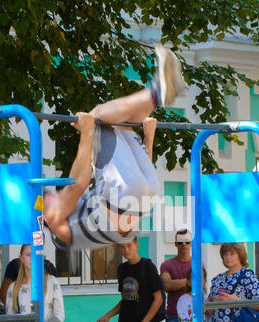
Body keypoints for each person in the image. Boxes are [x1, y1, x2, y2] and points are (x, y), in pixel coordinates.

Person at [41, 45, 184, 250]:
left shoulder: (75, 222)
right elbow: (77, 184)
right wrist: (86, 132)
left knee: (119, 121)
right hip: (121, 197)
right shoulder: (54, 218)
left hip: (145, 192)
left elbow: (138, 181)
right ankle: (157, 92)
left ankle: (158, 93)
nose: (53, 195)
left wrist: (148, 138)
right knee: (98, 115)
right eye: (47, 197)